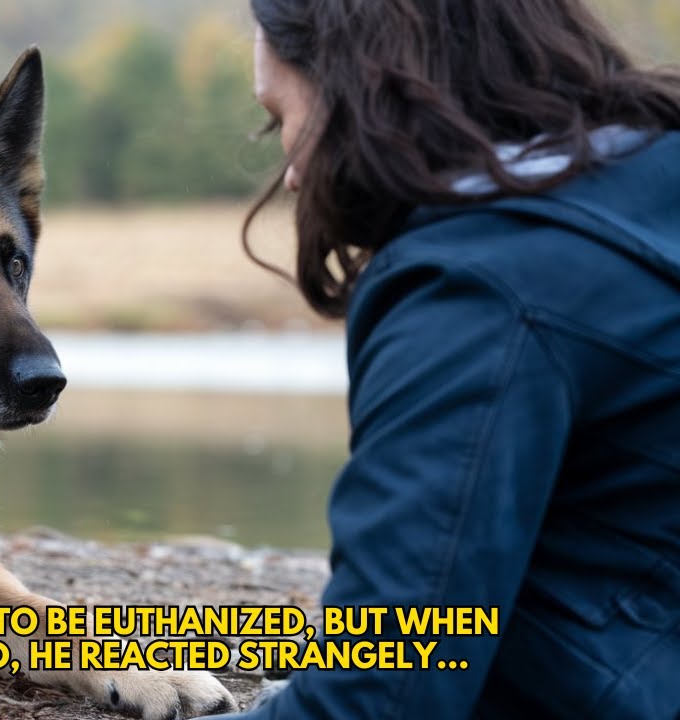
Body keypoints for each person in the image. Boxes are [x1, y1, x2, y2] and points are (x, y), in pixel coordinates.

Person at [202, 1, 680, 718]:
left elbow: (381, 697)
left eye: (281, 118)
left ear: (358, 84)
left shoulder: (481, 287)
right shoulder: (651, 176)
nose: (293, 174)